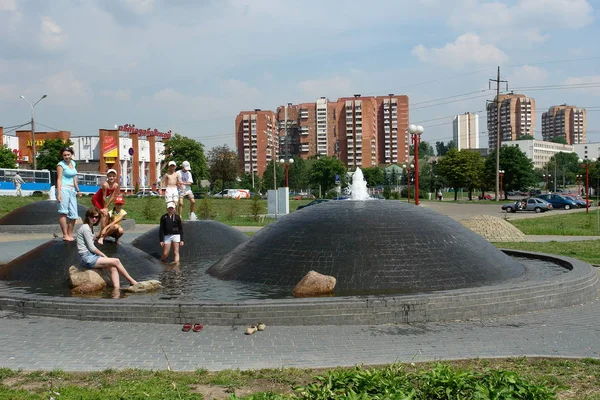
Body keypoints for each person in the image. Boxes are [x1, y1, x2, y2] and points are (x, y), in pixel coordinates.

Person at [77, 207, 137, 294]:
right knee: (116, 261)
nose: (94, 219)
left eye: (96, 217)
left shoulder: (90, 227)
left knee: (113, 268)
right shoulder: (85, 228)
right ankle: (131, 281)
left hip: (91, 256)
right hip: (86, 258)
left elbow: (93, 239)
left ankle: (116, 290)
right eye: (92, 216)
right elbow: (91, 247)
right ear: (88, 217)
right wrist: (103, 255)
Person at [56, 147, 82, 241]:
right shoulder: (60, 165)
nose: (66, 157)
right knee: (63, 212)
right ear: (62, 156)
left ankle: (70, 234)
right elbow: (59, 179)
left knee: (74, 214)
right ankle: (65, 234)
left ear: (71, 154)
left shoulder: (73, 163)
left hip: (72, 190)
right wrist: (58, 193)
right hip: (63, 189)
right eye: (64, 155)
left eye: (68, 155)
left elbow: (74, 178)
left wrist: (78, 190)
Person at [92, 169, 120, 240]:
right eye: (110, 176)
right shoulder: (105, 185)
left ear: (116, 177)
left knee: (106, 214)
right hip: (96, 199)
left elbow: (112, 197)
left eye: (113, 176)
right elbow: (104, 197)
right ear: (107, 176)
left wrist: (106, 206)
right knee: (103, 214)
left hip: (102, 200)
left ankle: (101, 232)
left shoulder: (116, 185)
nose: (112, 178)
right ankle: (101, 233)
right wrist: (104, 208)